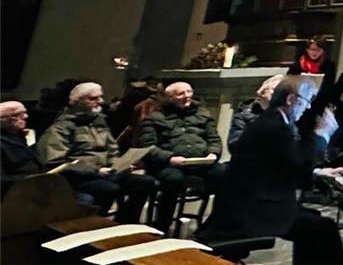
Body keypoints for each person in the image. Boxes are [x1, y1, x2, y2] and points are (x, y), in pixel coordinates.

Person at [198, 77, 343, 265]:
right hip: (249, 212)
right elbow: (298, 166)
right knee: (322, 227)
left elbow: (284, 166)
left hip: (249, 204)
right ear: (291, 100)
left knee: (315, 222)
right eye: (307, 101)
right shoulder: (274, 127)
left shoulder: (272, 121)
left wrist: (317, 173)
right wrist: (321, 135)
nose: (308, 108)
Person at [37, 82, 156, 222]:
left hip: (106, 173)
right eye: (93, 98)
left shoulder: (99, 122)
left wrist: (119, 165)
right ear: (77, 102)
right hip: (78, 178)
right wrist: (95, 171)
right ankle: (92, 225)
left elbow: (112, 149)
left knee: (145, 182)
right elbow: (56, 163)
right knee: (109, 188)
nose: (100, 101)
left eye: (101, 97)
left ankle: (125, 222)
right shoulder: (60, 128)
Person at [138, 81, 225, 230]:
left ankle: (215, 224)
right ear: (169, 98)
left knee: (225, 173)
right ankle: (162, 225)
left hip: (199, 163)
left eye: (189, 92)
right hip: (169, 164)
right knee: (173, 179)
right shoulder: (154, 117)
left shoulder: (203, 114)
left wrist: (213, 153)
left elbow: (213, 139)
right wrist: (170, 158)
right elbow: (147, 147)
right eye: (181, 94)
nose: (187, 96)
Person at [229, 74, 283, 150]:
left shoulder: (294, 115)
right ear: (263, 92)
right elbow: (236, 145)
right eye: (276, 90)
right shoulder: (244, 116)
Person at [1, 101, 43, 193]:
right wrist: (31, 178)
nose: (25, 117)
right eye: (16, 115)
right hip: (13, 196)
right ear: (2, 119)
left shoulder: (21, 135)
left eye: (25, 113)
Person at [287, 36, 337, 102]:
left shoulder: (329, 66)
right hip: (299, 99)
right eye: (312, 49)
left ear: (323, 51)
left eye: (318, 50)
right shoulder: (297, 65)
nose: (314, 52)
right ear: (307, 49)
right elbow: (289, 83)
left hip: (319, 100)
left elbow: (329, 87)